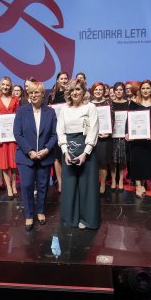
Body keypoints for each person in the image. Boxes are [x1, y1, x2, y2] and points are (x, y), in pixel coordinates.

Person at [13, 81, 57, 231]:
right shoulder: (21, 111)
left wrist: (46, 149)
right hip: (26, 157)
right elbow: (17, 134)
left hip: (45, 156)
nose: (33, 95)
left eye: (36, 92)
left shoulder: (50, 112)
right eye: (31, 92)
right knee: (26, 186)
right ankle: (29, 214)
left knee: (43, 186)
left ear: (43, 94)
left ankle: (40, 211)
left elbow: (54, 135)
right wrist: (30, 151)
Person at [57, 79, 100, 229]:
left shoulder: (91, 107)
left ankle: (87, 219)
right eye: (71, 90)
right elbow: (60, 131)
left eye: (77, 89)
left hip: (86, 152)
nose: (75, 93)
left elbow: (93, 130)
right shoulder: (64, 108)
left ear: (83, 91)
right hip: (68, 151)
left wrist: (86, 153)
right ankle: (71, 218)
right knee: (69, 186)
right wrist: (64, 151)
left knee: (87, 186)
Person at [126, 80, 151, 198]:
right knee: (136, 161)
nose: (145, 90)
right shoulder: (134, 103)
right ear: (140, 90)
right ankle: (138, 185)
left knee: (147, 160)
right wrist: (127, 133)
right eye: (143, 88)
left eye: (148, 88)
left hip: (150, 138)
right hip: (136, 138)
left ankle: (144, 181)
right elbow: (128, 119)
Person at [0, 76, 20, 198]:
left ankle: (14, 184)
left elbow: (18, 117)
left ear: (11, 86)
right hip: (2, 137)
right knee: (3, 163)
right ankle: (8, 186)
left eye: (7, 85)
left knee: (13, 163)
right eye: (3, 84)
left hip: (13, 136)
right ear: (0, 86)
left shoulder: (15, 99)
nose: (5, 87)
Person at [90, 82, 113, 194]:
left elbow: (112, 119)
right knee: (92, 163)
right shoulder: (88, 104)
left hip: (104, 138)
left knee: (103, 163)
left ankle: (102, 184)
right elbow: (86, 121)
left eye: (100, 89)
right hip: (92, 138)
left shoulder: (108, 102)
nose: (98, 91)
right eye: (96, 89)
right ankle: (94, 184)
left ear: (103, 91)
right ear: (92, 91)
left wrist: (108, 132)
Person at [47, 71, 69, 193]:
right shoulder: (52, 96)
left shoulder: (71, 94)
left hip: (69, 129)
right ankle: (60, 183)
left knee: (66, 155)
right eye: (62, 78)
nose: (64, 80)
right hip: (56, 129)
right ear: (57, 80)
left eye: (66, 78)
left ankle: (67, 182)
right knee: (56, 157)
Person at [110, 82, 128, 192]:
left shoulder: (128, 103)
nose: (119, 91)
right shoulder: (110, 103)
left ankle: (120, 180)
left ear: (124, 91)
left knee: (122, 159)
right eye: (117, 90)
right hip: (112, 135)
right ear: (114, 91)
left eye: (121, 89)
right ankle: (113, 180)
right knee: (113, 159)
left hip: (124, 135)